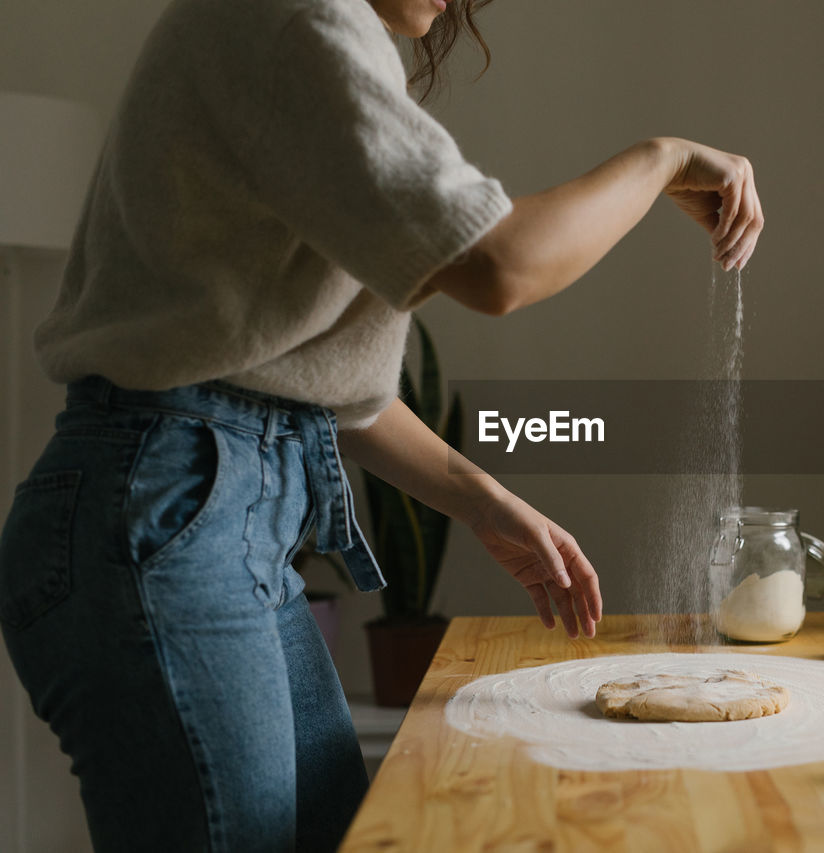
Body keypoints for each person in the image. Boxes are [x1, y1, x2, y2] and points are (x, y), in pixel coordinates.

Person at [0, 0, 763, 849]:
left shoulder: (312, 35)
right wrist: (661, 160)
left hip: (198, 521)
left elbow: (303, 384)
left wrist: (481, 499)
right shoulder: (297, 19)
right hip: (160, 518)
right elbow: (502, 264)